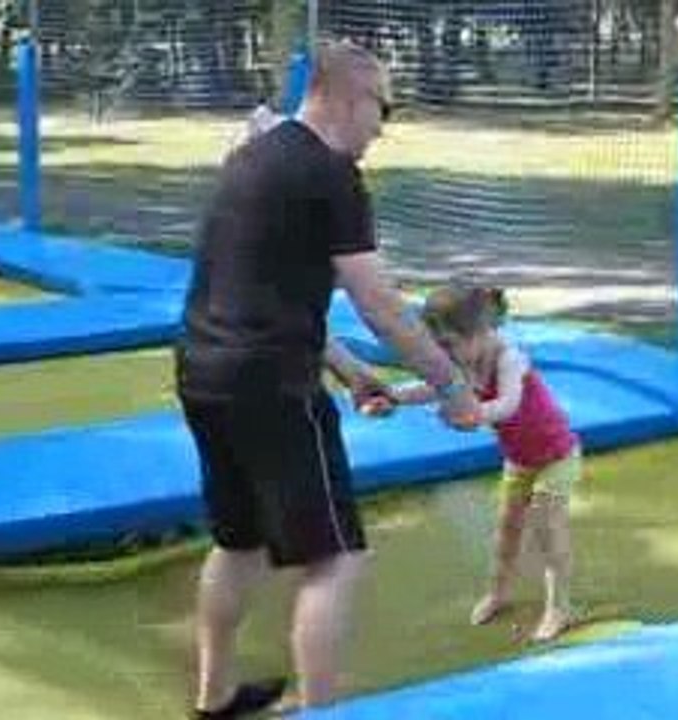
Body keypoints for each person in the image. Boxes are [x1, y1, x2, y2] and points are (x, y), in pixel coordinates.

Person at [175, 39, 480, 719]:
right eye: (384, 107)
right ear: (349, 97)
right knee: (336, 558)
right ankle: (322, 711)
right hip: (272, 389)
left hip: (204, 371)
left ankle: (215, 698)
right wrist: (454, 388)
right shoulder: (332, 174)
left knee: (240, 541)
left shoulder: (252, 156)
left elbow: (266, 292)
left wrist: (350, 372)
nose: (384, 126)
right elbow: (381, 305)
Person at [386, 283, 582, 642]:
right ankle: (499, 592)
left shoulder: (509, 358)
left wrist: (470, 414)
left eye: (448, 345)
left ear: (479, 333)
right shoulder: (464, 359)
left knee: (546, 526)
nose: (444, 354)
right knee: (507, 529)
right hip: (520, 460)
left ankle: (561, 606)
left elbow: (508, 403)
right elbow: (433, 386)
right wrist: (391, 395)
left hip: (557, 456)